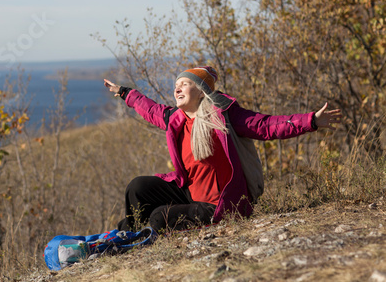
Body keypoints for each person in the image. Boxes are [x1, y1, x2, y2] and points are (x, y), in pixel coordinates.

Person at [103, 66, 342, 233]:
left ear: (200, 90)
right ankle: (131, 233)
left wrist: (310, 121)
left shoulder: (225, 116)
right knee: (138, 187)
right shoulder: (175, 119)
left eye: (184, 84)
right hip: (189, 193)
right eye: (176, 85)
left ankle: (146, 231)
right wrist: (124, 92)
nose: (177, 89)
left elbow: (266, 125)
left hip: (220, 206)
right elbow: (150, 109)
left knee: (159, 217)